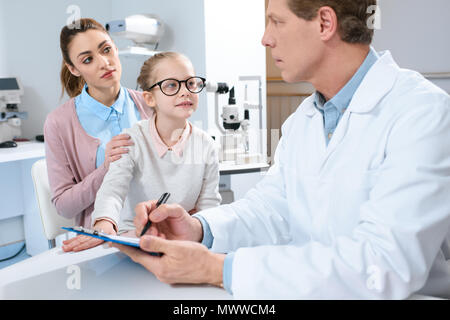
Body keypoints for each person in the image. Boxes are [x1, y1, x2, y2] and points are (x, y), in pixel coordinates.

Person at [113, 0, 450, 299]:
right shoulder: (304, 119)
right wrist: (200, 229)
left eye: (276, 21)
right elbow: (271, 208)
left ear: (324, 24)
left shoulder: (421, 112)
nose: (265, 38)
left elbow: (384, 265)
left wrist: (219, 269)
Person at [44, 18, 152, 252]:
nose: (104, 63)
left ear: (115, 47)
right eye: (88, 59)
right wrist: (106, 168)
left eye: (106, 49)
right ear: (74, 68)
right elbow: (64, 206)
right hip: (101, 242)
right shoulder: (59, 122)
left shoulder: (150, 103)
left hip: (155, 232)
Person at [89, 51, 221, 235]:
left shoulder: (206, 145)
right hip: (135, 234)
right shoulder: (131, 140)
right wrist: (104, 222)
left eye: (191, 83)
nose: (185, 92)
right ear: (150, 98)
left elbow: (209, 207)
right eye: (171, 85)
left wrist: (197, 230)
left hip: (183, 237)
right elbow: (112, 190)